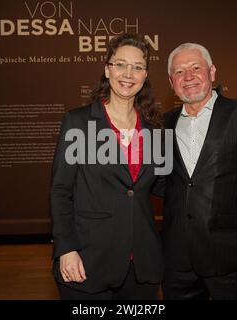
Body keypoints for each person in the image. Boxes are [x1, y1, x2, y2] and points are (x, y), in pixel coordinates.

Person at [162, 43, 237, 300]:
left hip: (233, 261)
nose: (188, 77)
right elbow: (162, 185)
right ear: (171, 81)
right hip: (178, 266)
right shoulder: (162, 125)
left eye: (196, 68)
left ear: (212, 72)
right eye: (179, 72)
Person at [50, 33, 165, 300]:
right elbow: (60, 190)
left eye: (137, 67)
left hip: (142, 264)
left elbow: (164, 186)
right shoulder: (78, 122)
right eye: (120, 64)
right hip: (88, 260)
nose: (128, 73)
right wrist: (66, 248)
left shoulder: (155, 129)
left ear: (145, 75)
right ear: (107, 69)